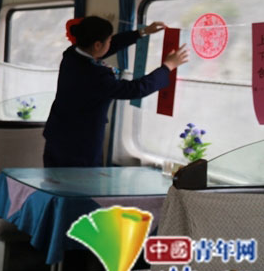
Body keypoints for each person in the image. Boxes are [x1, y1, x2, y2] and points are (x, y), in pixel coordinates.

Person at [43, 15, 189, 167]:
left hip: (57, 136)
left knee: (53, 183)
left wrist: (142, 32)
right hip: (80, 146)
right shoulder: (96, 75)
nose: (111, 42)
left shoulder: (72, 54)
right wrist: (168, 67)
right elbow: (134, 89)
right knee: (80, 187)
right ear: (98, 45)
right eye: (109, 40)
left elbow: (105, 48)